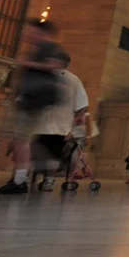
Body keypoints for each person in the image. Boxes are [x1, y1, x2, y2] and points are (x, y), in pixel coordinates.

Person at [0, 20, 64, 195]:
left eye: (31, 31)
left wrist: (28, 64)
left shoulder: (49, 47)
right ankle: (21, 176)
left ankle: (20, 180)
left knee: (22, 139)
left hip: (35, 100)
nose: (27, 34)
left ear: (40, 32)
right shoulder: (35, 50)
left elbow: (56, 64)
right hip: (27, 99)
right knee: (20, 139)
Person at [27, 51, 88, 193]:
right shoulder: (74, 80)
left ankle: (30, 177)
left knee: (36, 149)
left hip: (45, 124)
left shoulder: (46, 77)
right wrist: (77, 121)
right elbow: (82, 105)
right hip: (60, 126)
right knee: (52, 153)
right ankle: (48, 179)